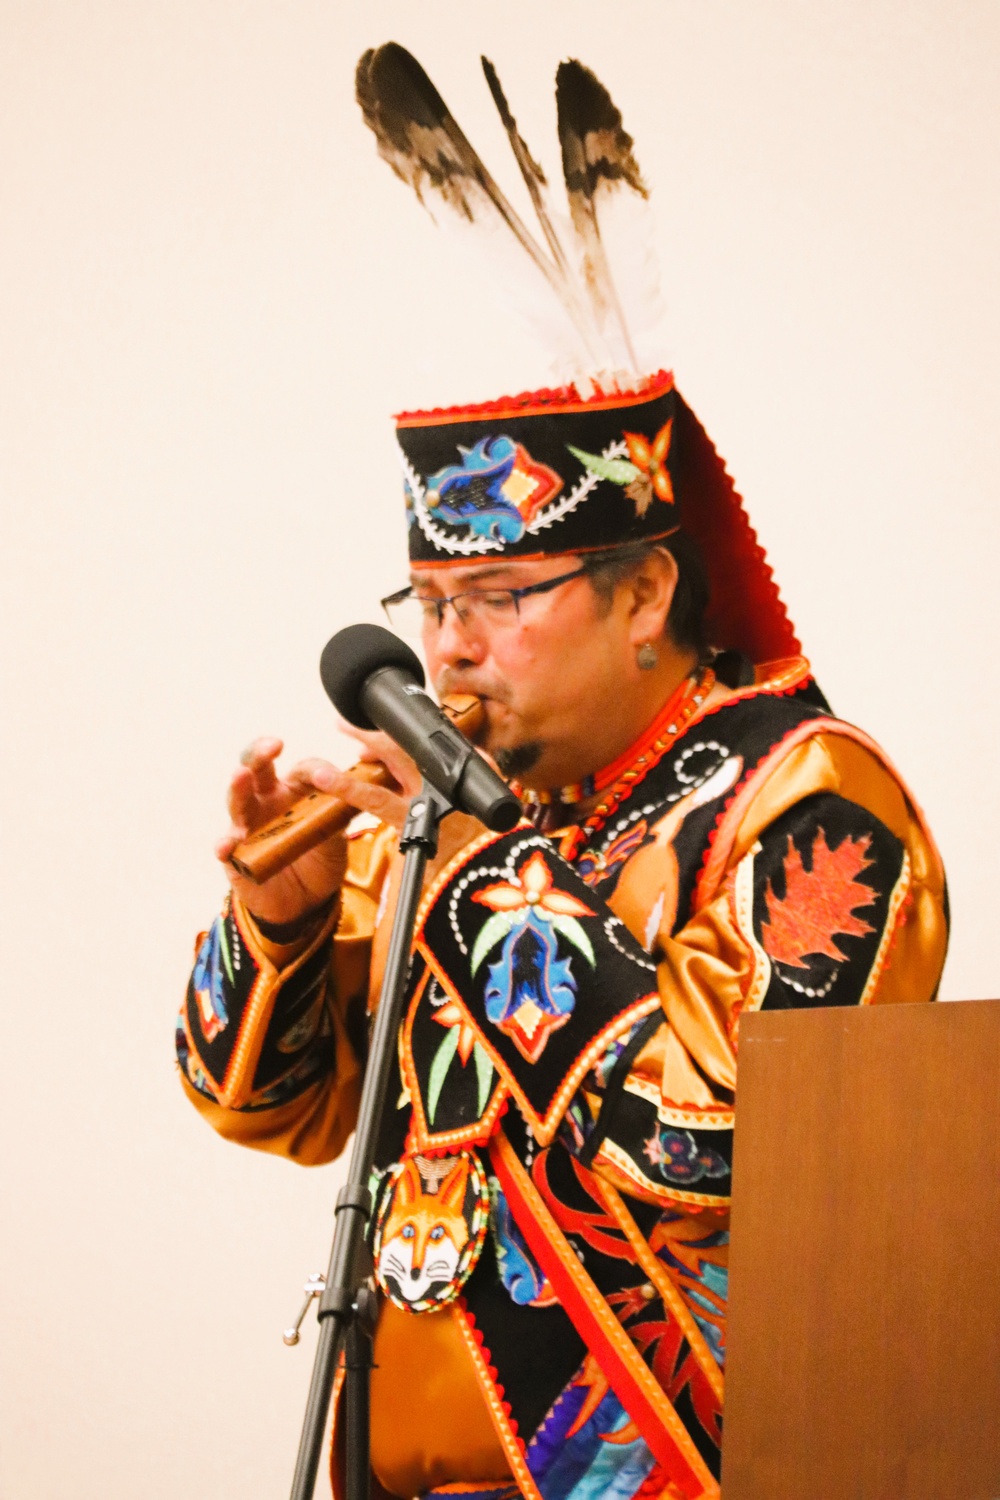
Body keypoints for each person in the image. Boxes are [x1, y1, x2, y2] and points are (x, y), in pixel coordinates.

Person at [177, 47, 948, 1500]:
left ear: (646, 595)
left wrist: (475, 879)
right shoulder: (452, 808)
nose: (451, 653)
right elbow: (261, 1106)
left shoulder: (803, 796)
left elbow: (712, 1151)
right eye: (432, 608)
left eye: (502, 601)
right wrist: (278, 920)